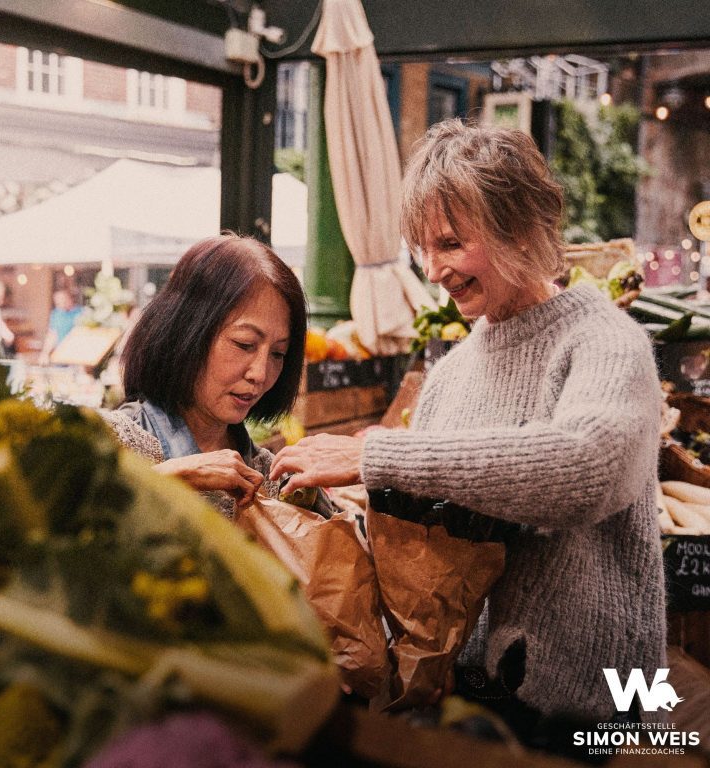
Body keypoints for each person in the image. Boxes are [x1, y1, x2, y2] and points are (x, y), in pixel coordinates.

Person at [270, 120, 665, 735]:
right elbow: (429, 548)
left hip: (594, 707)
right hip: (469, 696)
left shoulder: (607, 342)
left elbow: (587, 469)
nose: (433, 269)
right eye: (422, 248)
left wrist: (380, 456)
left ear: (521, 228)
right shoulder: (450, 375)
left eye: (450, 243)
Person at [101, 233, 331, 519]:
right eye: (244, 344)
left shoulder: (272, 479)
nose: (260, 374)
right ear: (187, 332)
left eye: (278, 354)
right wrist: (170, 479)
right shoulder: (112, 441)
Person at [39, 288, 83, 365]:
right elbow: (52, 335)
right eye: (57, 303)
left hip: (77, 356)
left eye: (62, 301)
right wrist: (45, 353)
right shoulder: (56, 314)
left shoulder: (81, 313)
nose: (60, 305)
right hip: (60, 355)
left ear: (69, 299)